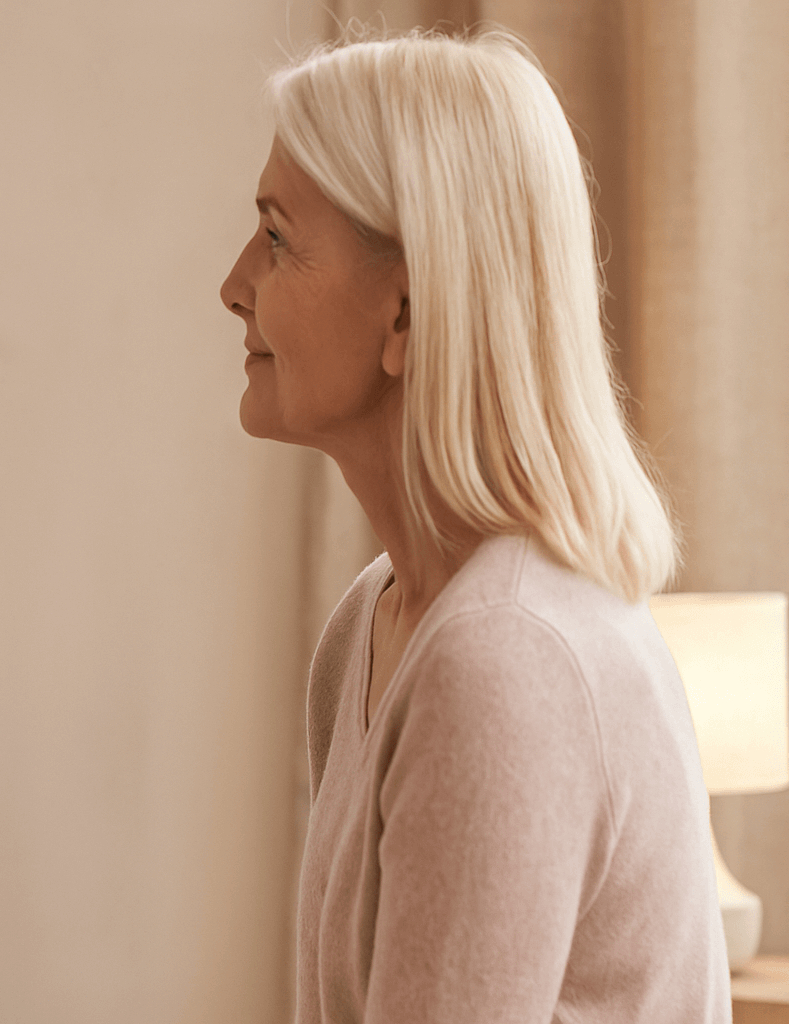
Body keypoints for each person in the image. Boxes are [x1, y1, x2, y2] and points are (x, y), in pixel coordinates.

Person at [219, 29, 730, 1023]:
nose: (235, 283)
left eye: (278, 237)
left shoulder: (503, 659)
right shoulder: (371, 623)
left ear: (406, 312)